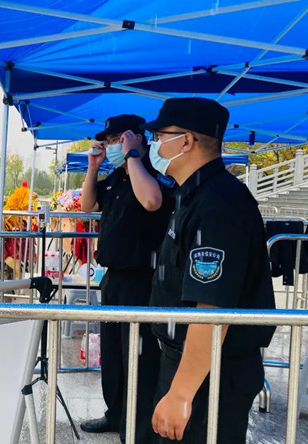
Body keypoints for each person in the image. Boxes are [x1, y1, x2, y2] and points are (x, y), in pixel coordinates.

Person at [140, 98, 276, 443]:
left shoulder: (219, 204)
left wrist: (181, 394)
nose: (154, 145)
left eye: (159, 136)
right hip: (192, 364)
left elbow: (212, 310)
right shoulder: (195, 195)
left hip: (211, 373)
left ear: (185, 141)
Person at [80, 114, 174, 444]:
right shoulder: (117, 178)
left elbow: (152, 201)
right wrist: (93, 167)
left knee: (138, 355)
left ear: (135, 138)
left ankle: (137, 425)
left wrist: (133, 155)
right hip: (114, 278)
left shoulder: (151, 173)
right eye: (107, 141)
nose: (109, 146)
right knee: (113, 354)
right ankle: (115, 413)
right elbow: (88, 205)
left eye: (115, 140)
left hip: (142, 279)